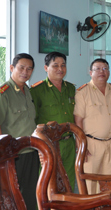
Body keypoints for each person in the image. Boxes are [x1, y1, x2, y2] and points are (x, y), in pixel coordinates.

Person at [0, 53, 39, 209]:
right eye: (21, 67)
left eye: (29, 69)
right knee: (11, 195)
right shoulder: (1, 93)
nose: (25, 72)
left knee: (30, 193)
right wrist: (1, 154)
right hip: (13, 154)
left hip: (31, 151)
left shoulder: (28, 91)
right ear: (12, 68)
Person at [31, 51, 76, 189]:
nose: (60, 69)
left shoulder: (71, 88)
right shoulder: (37, 90)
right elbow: (33, 120)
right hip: (49, 144)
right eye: (55, 65)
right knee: (48, 184)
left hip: (69, 143)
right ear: (46, 68)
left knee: (68, 182)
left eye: (63, 65)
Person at [74, 58, 111, 194]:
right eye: (97, 69)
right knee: (90, 184)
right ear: (90, 72)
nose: (102, 72)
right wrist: (82, 145)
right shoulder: (83, 92)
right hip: (91, 145)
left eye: (105, 68)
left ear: (109, 72)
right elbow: (78, 121)